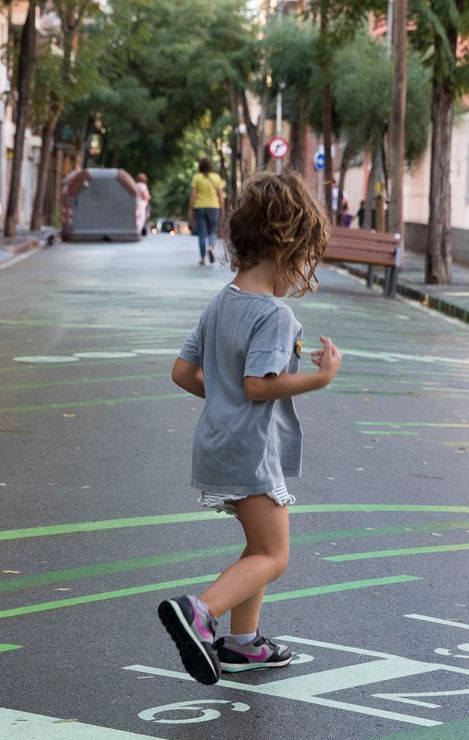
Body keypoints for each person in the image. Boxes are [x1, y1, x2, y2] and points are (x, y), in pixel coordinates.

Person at [158, 171, 341, 685]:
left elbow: (183, 372)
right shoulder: (273, 314)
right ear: (287, 246)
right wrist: (318, 378)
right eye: (304, 258)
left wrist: (223, 397)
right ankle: (200, 611)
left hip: (219, 443)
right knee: (275, 555)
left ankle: (243, 643)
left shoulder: (222, 301)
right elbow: (260, 386)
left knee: (258, 547)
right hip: (250, 450)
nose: (302, 271)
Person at [188, 158, 226, 267]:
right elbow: (220, 195)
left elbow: (193, 195)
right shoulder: (216, 177)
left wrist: (191, 209)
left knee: (202, 233)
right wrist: (222, 209)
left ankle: (202, 258)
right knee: (212, 231)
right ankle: (211, 247)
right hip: (214, 207)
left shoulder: (197, 177)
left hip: (199, 207)